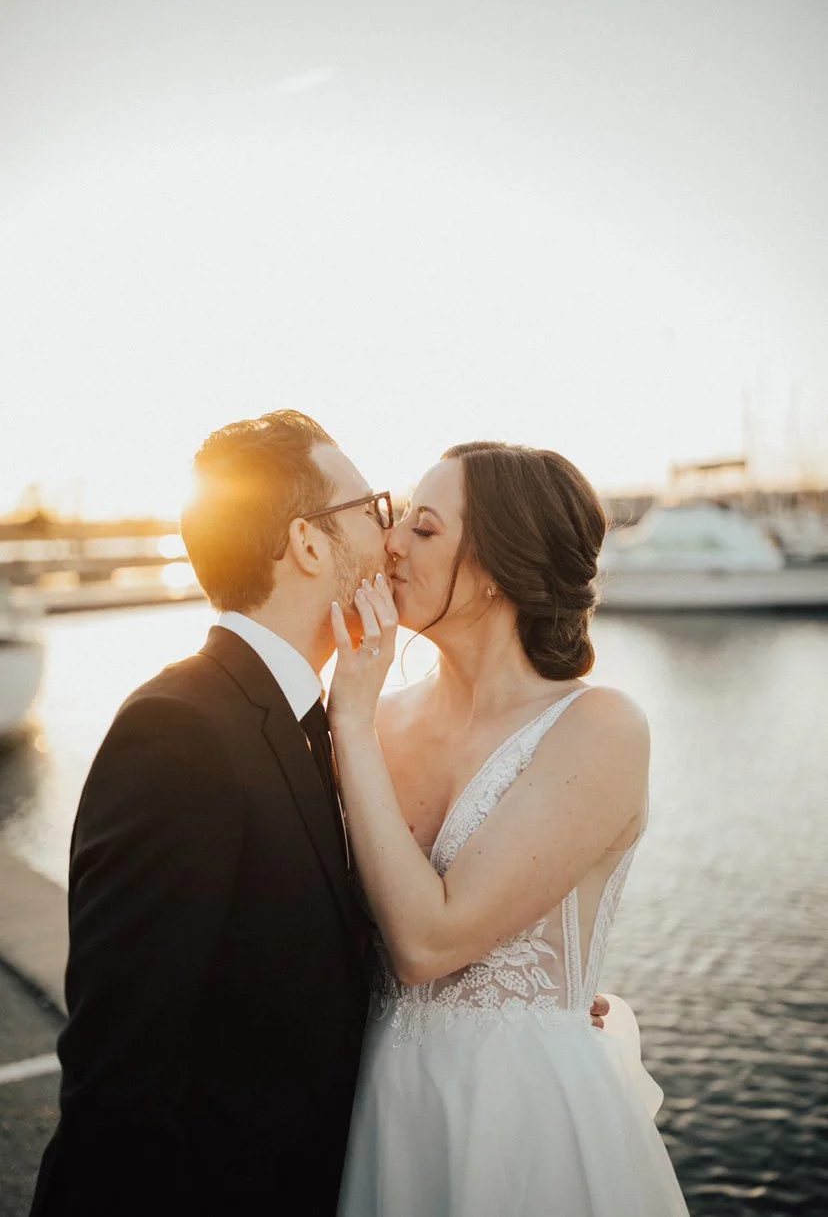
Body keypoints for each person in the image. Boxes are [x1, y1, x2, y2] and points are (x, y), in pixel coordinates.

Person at [29, 411, 390, 1216]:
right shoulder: (179, 732)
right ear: (306, 544)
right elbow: (119, 1080)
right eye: (372, 510)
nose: (389, 537)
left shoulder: (324, 721)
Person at [328, 441, 690, 1216]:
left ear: (498, 567)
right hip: (381, 1105)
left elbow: (427, 944)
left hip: (521, 1127)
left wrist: (346, 724)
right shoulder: (378, 718)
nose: (390, 543)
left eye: (423, 530)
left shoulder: (597, 728)